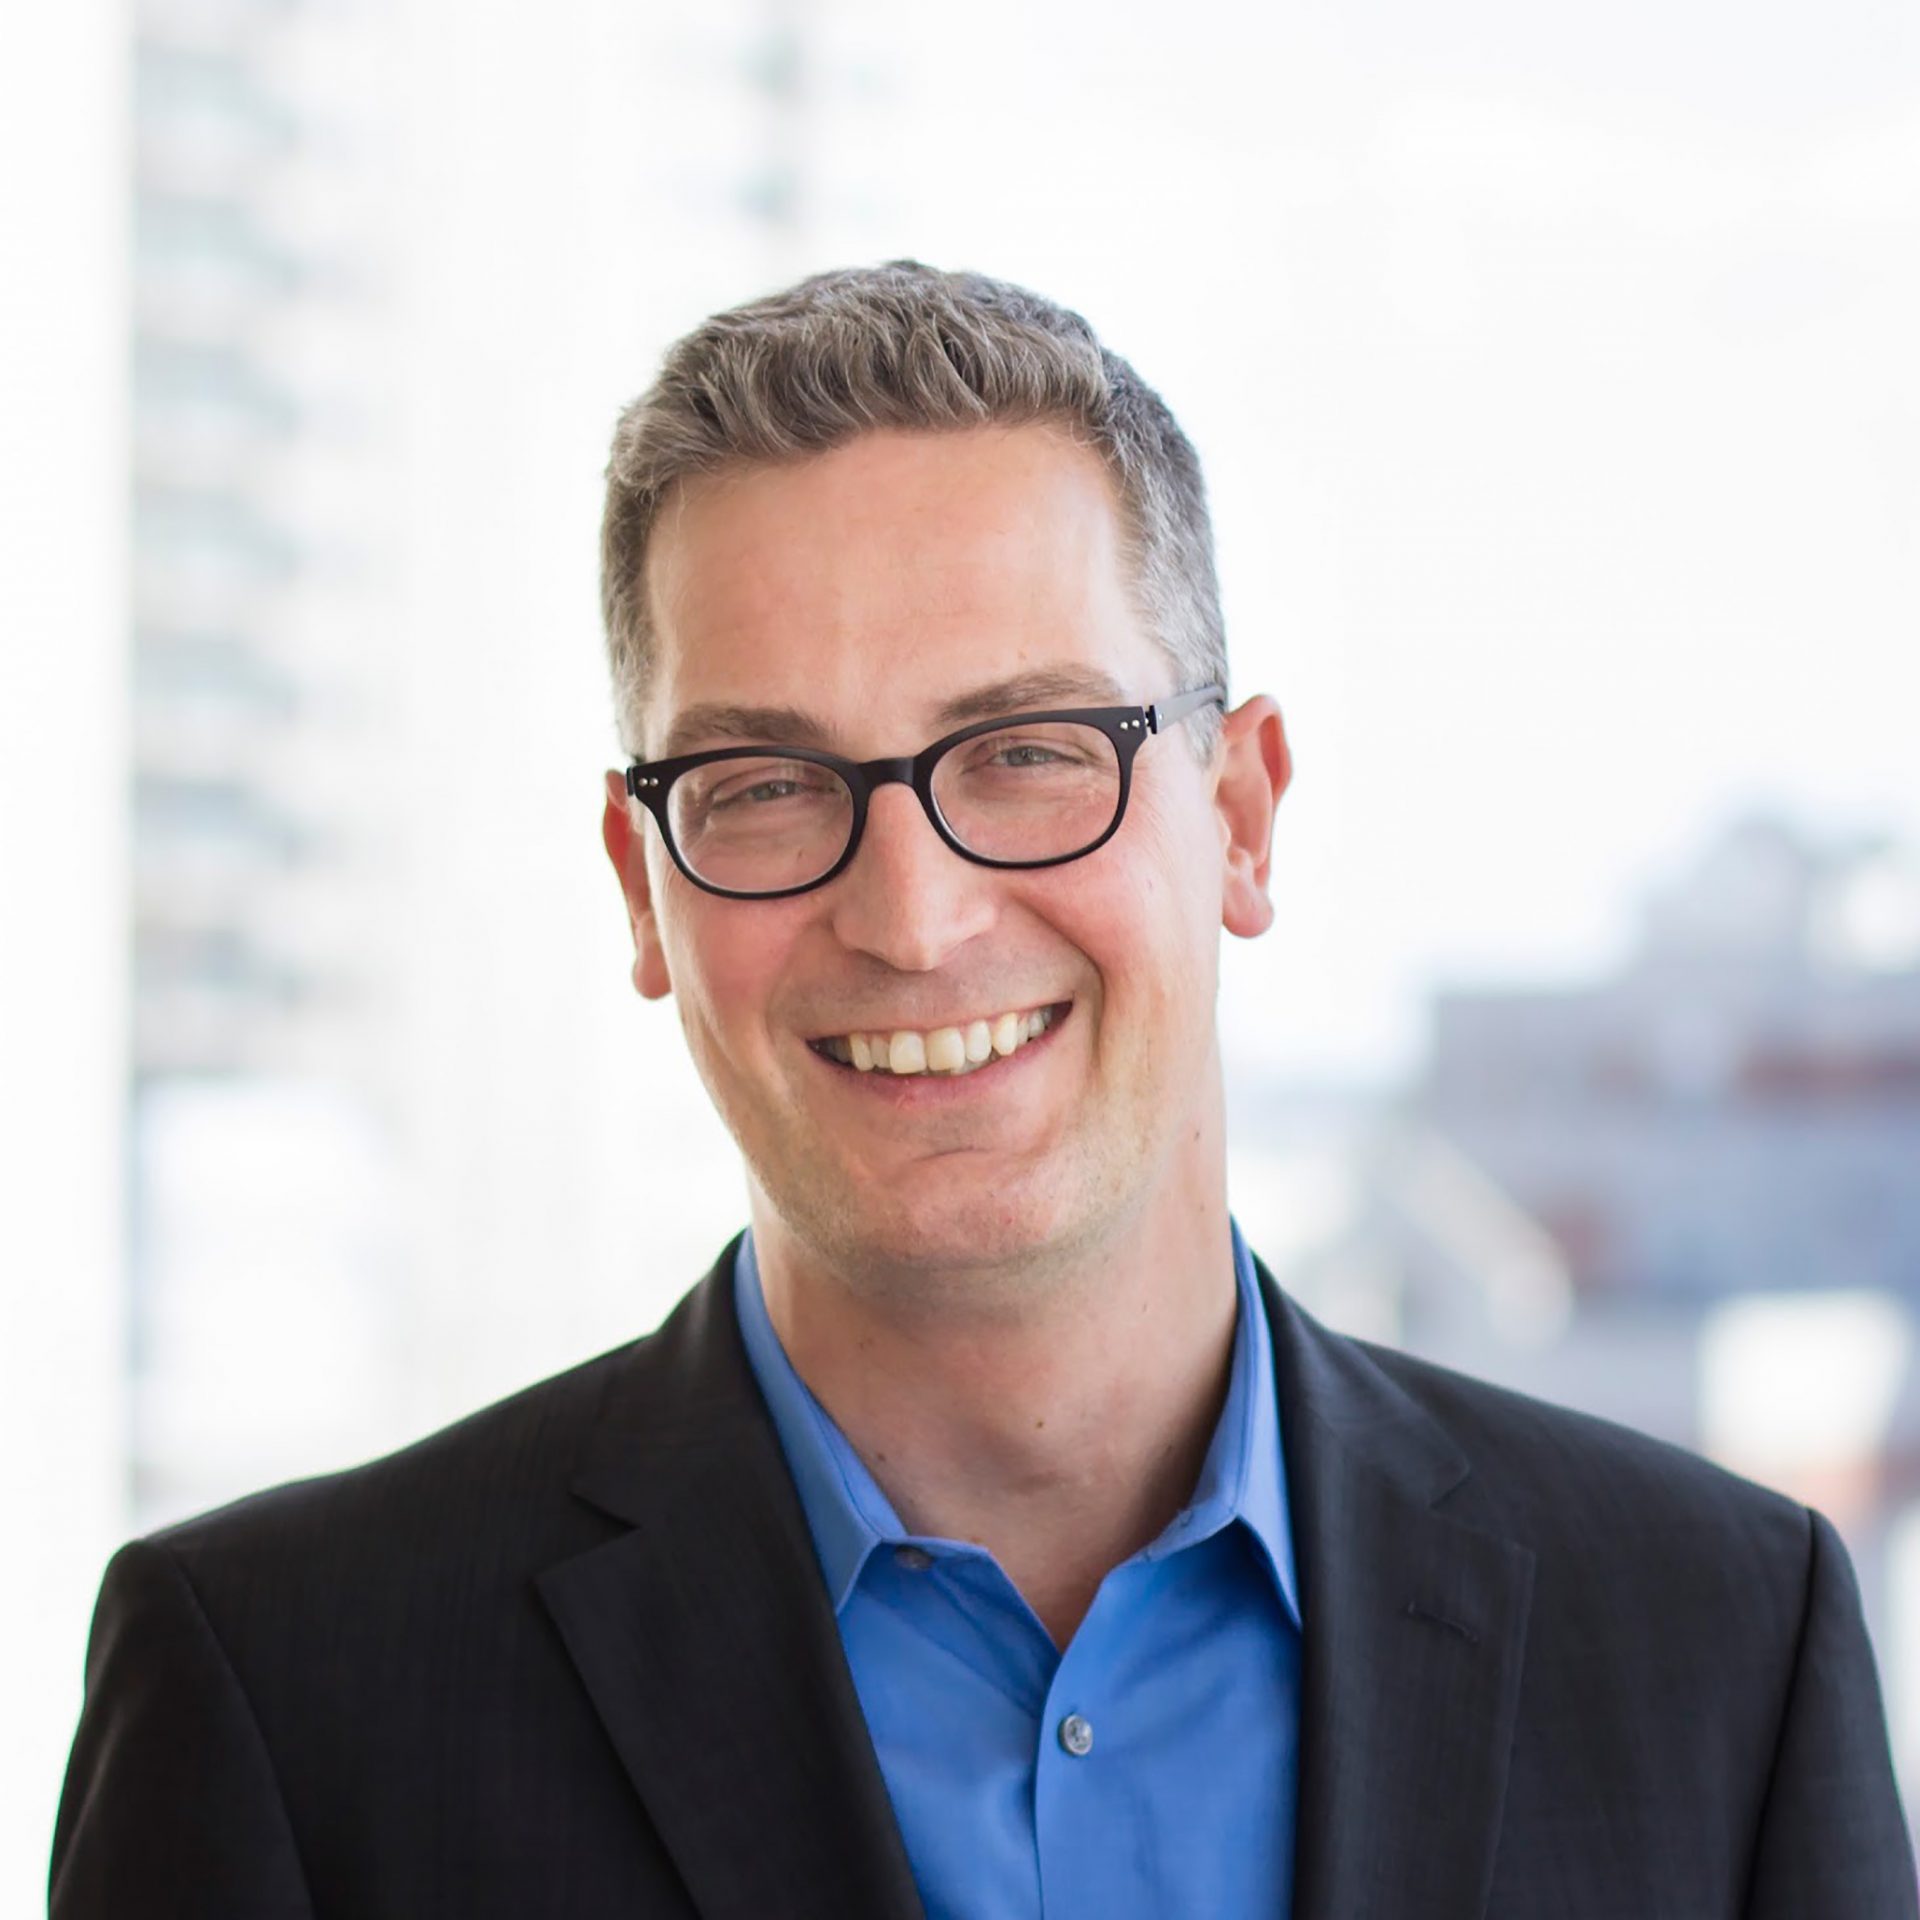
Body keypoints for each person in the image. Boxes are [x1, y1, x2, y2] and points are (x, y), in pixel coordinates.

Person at [51, 260, 1915, 1919]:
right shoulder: (289, 1702)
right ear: (645, 890)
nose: (916, 918)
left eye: (1029, 751)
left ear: (1243, 817)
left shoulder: (1720, 1652)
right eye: (766, 787)